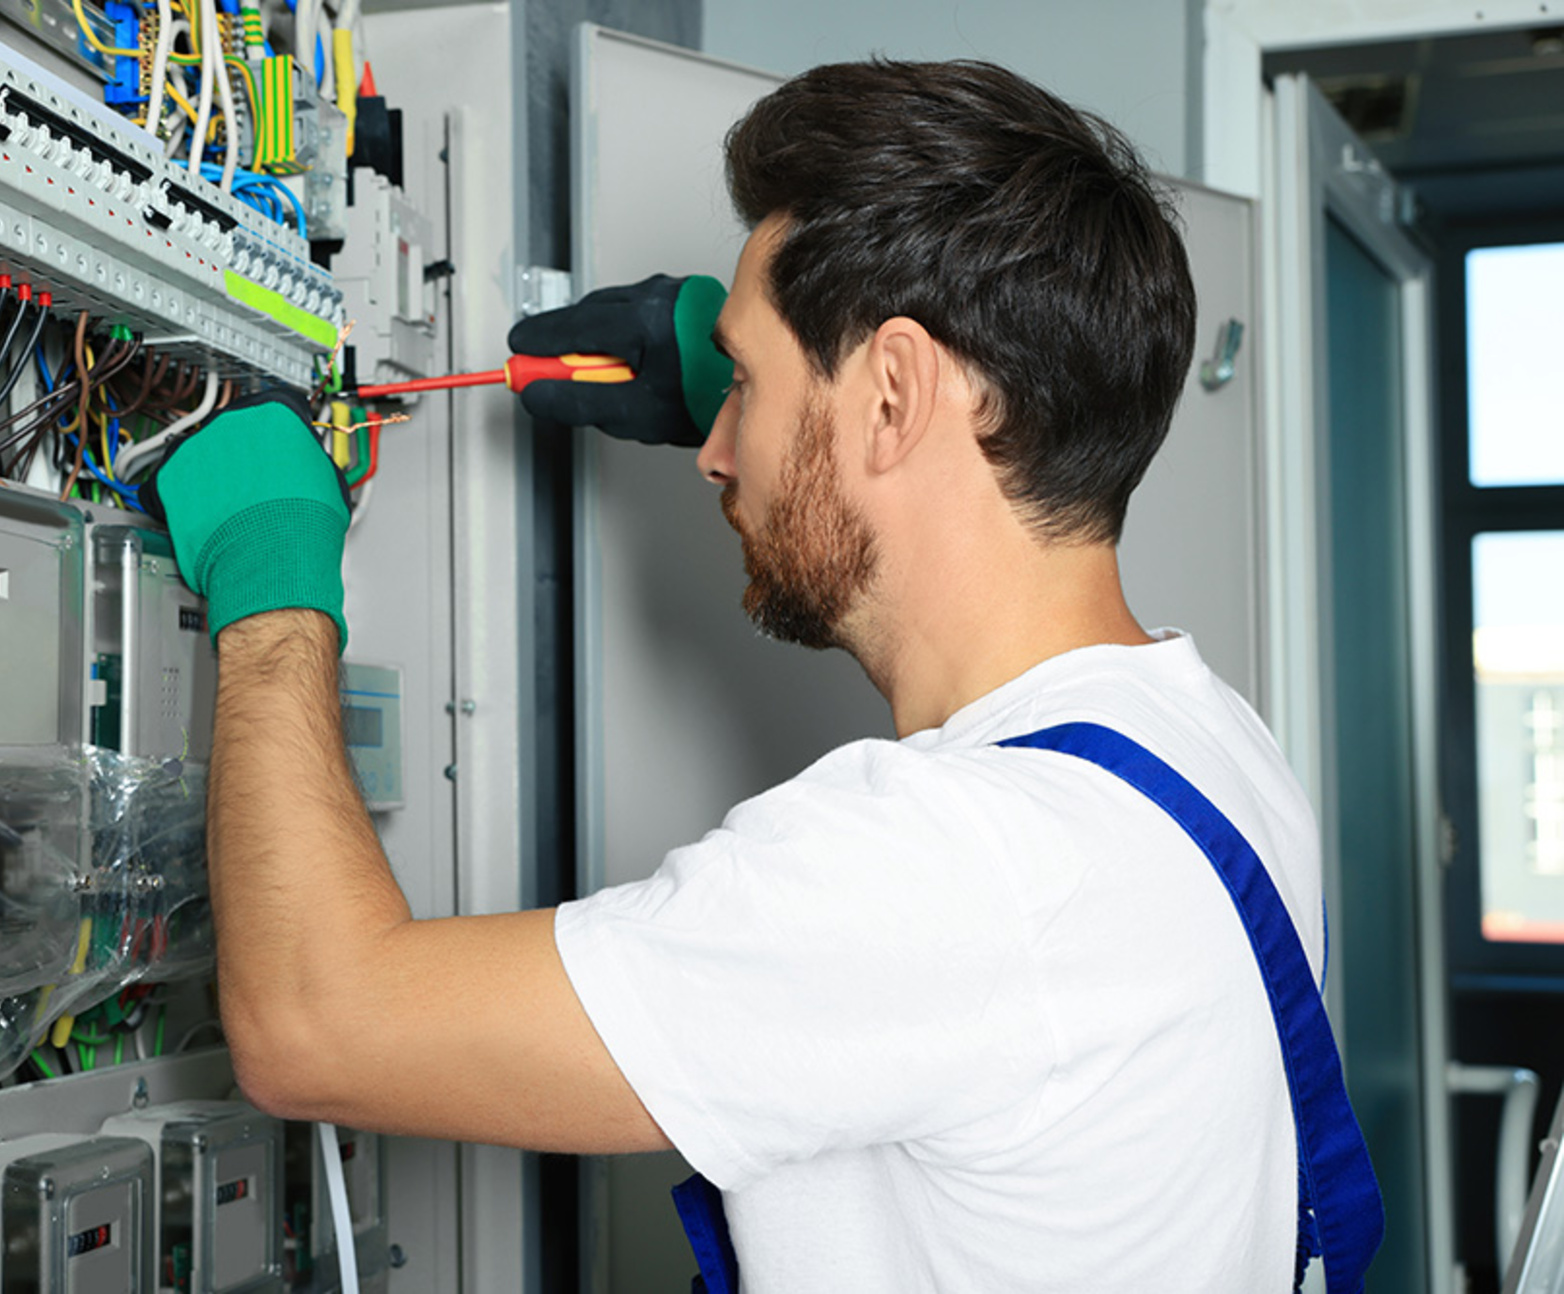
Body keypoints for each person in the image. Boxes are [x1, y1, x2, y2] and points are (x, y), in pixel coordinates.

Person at [147, 59, 1378, 1292]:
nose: (713, 452)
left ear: (892, 393)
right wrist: (776, 398)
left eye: (739, 381)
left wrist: (268, 574)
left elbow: (316, 1019)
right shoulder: (1208, 751)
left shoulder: (935, 870)